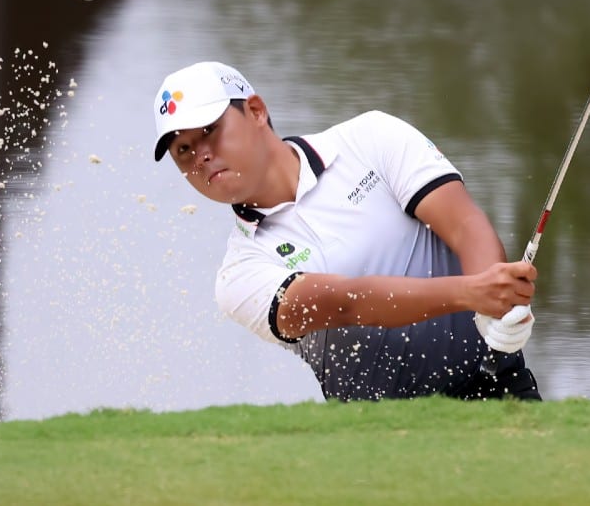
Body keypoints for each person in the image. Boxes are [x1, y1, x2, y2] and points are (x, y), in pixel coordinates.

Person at [152, 61, 540, 401]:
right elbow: (346, 303)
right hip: (375, 433)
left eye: (210, 131)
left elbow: (464, 223)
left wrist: (497, 299)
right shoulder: (239, 274)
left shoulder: (370, 138)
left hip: (494, 384)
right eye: (183, 151)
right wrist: (471, 294)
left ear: (255, 110)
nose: (200, 155)